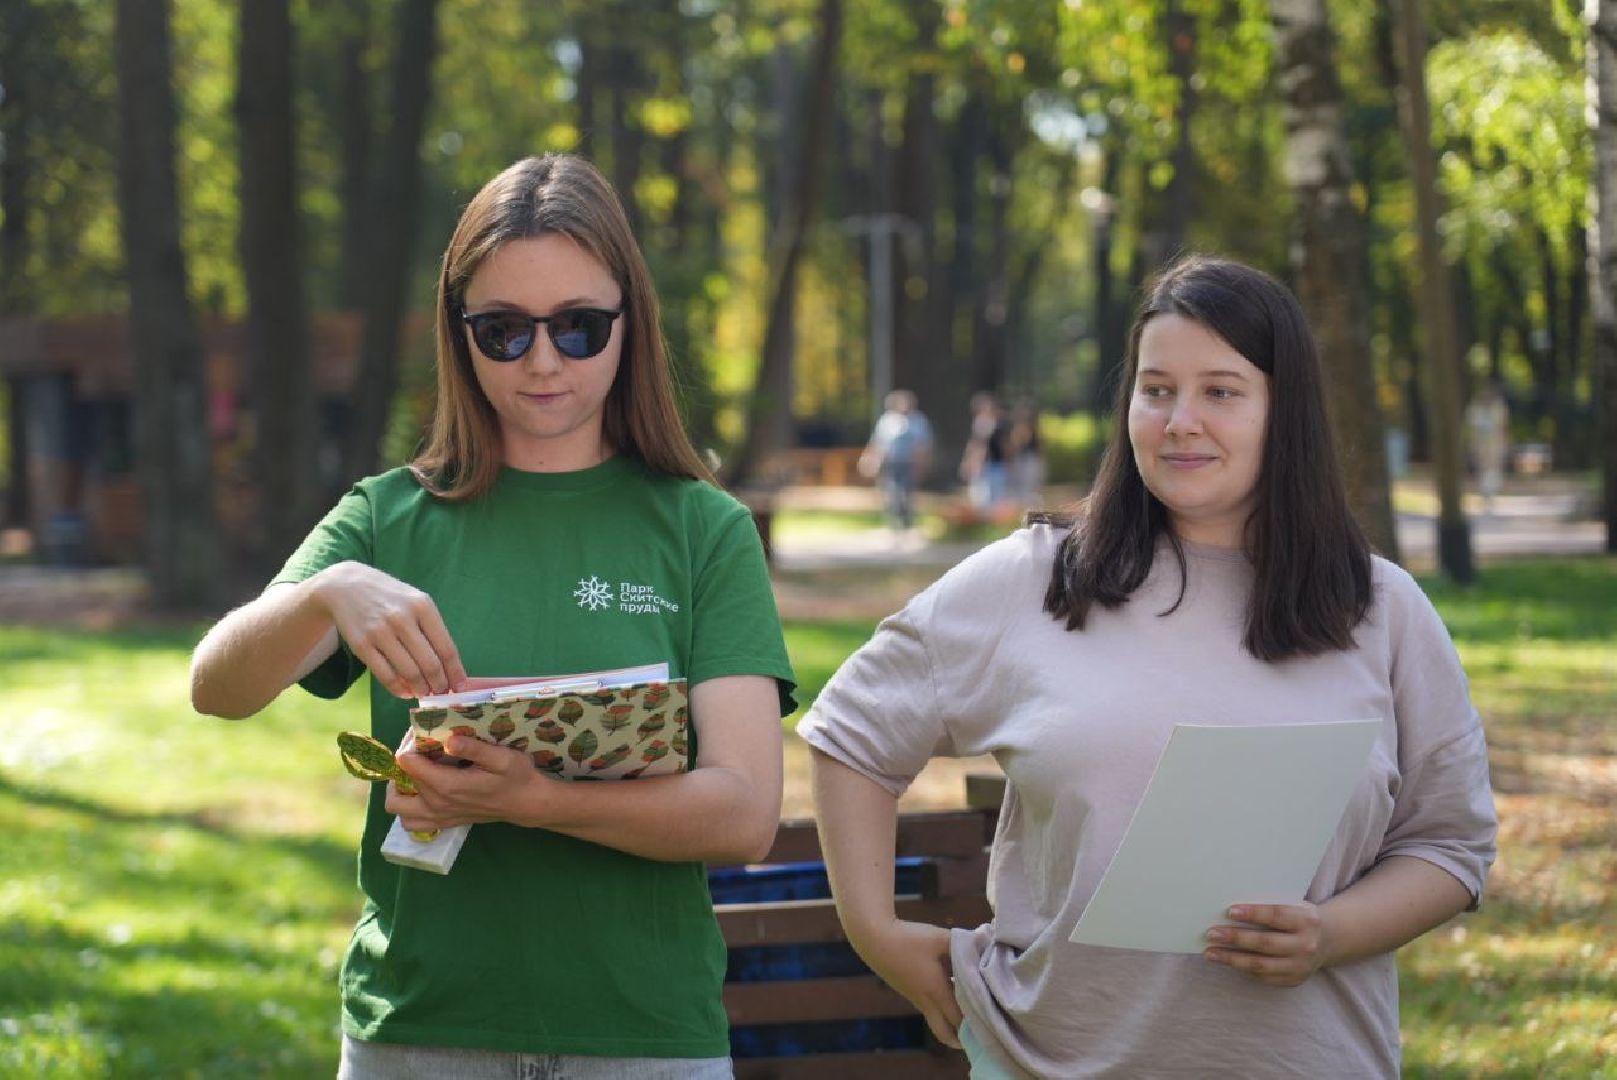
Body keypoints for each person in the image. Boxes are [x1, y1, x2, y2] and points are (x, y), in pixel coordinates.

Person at [800, 256, 1496, 1078]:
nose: (1179, 421)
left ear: (1286, 411)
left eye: (1221, 391)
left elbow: (1449, 844)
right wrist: (874, 932)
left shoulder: (1380, 608)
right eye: (1156, 389)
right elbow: (849, 734)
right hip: (1049, 1060)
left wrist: (1331, 934)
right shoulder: (1032, 579)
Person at [191, 154, 796, 1079]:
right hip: (418, 1030)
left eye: (580, 327)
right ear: (458, 332)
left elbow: (745, 815)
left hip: (642, 1037)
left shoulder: (702, 528)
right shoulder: (386, 517)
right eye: (503, 330)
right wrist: (325, 591)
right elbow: (217, 689)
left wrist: (534, 802)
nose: (543, 360)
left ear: (631, 322)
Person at [859, 389, 933, 531]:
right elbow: (878, 442)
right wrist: (871, 460)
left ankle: (907, 520)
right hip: (891, 463)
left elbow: (923, 445)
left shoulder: (918, 421)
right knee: (891, 491)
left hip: (910, 463)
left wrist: (922, 463)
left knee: (907, 492)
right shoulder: (887, 420)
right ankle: (894, 520)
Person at [959, 392, 1012, 516]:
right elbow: (977, 446)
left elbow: (1004, 446)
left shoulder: (1000, 425)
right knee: (982, 498)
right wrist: (971, 462)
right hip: (985, 466)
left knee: (995, 498)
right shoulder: (981, 424)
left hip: (996, 464)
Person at [1465, 380, 1510, 511]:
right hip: (1481, 444)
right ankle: (1486, 495)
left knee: (1493, 469)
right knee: (1483, 469)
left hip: (1495, 443)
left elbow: (1503, 426)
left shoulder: (1498, 407)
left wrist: (1505, 441)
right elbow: (1472, 428)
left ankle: (1490, 494)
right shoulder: (1475, 408)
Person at [1006, 400, 1045, 508]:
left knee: (1028, 488)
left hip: (1028, 462)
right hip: (1027, 461)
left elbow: (1017, 445)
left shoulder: (1027, 430)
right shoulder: (1030, 429)